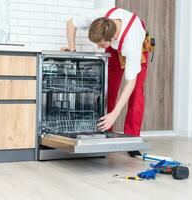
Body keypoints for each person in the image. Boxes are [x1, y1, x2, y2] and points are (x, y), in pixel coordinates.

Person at [61, 7, 149, 157]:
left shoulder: (132, 42)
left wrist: (115, 113)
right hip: (115, 49)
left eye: (101, 45)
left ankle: (132, 139)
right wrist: (72, 47)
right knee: (108, 88)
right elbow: (71, 23)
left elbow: (130, 83)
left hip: (138, 46)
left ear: (112, 38)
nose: (98, 47)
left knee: (135, 93)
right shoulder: (100, 18)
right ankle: (105, 131)